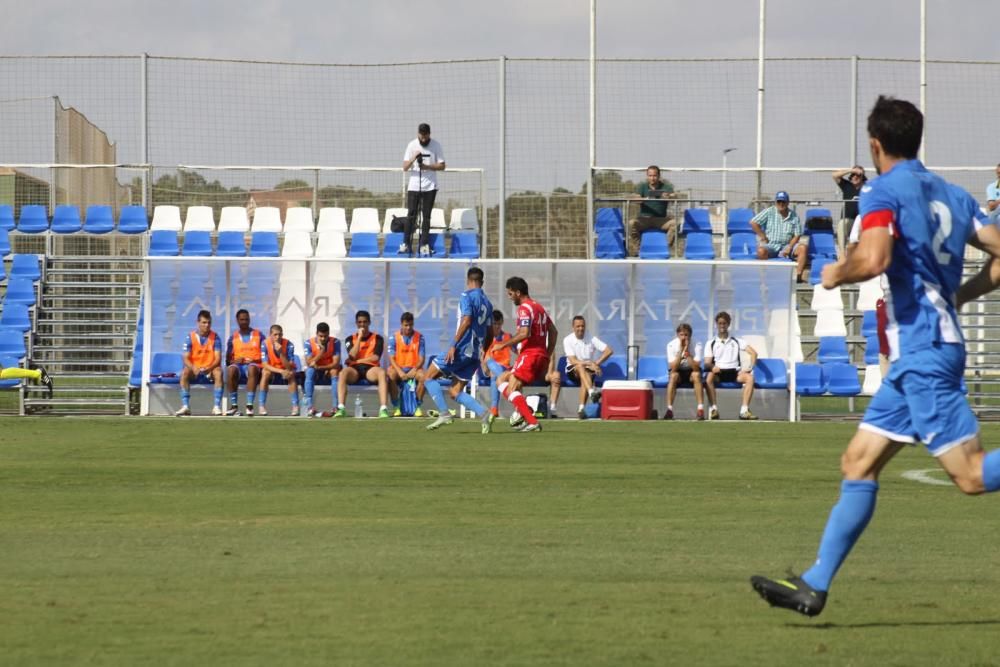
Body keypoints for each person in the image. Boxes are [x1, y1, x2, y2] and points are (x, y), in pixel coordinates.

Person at [751, 95, 1000, 618]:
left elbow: (876, 257)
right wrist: (964, 293)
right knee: (858, 462)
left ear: (875, 145)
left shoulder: (882, 191)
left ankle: (818, 581)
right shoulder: (954, 195)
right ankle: (815, 583)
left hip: (925, 351)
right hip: (927, 350)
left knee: (971, 475)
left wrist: (834, 273)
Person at [422, 267, 496, 433]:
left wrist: (453, 345)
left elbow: (467, 320)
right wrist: (483, 350)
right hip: (475, 354)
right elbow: (490, 333)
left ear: (468, 281)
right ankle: (484, 414)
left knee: (428, 377)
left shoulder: (466, 296)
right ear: (482, 282)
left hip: (462, 349)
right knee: (455, 391)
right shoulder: (488, 303)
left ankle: (444, 413)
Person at [492, 276, 558, 433]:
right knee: (501, 379)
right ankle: (524, 411)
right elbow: (554, 332)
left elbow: (524, 333)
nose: (509, 297)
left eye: (510, 294)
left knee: (511, 387)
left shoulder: (524, 308)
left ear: (518, 292)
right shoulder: (539, 308)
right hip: (540, 355)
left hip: (530, 354)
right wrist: (546, 354)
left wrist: (503, 344)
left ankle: (530, 419)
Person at [332, 310, 390, 418]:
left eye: (364, 322)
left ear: (369, 322)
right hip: (354, 370)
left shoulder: (378, 338)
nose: (362, 324)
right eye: (360, 322)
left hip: (371, 369)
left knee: (382, 372)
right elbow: (352, 356)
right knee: (343, 373)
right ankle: (341, 408)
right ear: (356, 323)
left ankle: (383, 409)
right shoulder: (350, 339)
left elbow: (375, 357)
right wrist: (359, 338)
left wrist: (358, 361)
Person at [703, 311, 758, 421]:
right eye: (720, 323)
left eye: (724, 323)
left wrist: (750, 368)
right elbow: (707, 362)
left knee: (750, 378)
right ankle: (714, 409)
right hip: (719, 373)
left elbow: (753, 353)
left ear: (728, 324)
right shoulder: (711, 342)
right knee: (708, 378)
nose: (722, 325)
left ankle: (744, 410)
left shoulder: (737, 341)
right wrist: (712, 367)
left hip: (734, 373)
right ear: (716, 324)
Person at [401, 122, 446, 256]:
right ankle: (406, 244)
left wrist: (428, 167)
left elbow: (442, 165)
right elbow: (404, 167)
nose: (424, 138)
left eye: (426, 135)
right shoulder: (411, 145)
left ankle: (424, 244)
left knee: (426, 217)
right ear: (418, 134)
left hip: (430, 186)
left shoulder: (436, 145)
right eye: (421, 135)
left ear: (429, 134)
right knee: (411, 215)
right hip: (414, 186)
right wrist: (414, 157)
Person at [561, 315, 613, 419]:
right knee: (580, 368)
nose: (581, 328)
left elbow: (609, 351)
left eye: (582, 326)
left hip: (587, 371)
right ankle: (591, 392)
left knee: (585, 375)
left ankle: (581, 410)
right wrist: (591, 364)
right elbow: (573, 361)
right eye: (578, 326)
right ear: (573, 327)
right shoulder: (567, 340)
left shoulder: (591, 338)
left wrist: (596, 363)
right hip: (573, 370)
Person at [750, 191, 807, 283]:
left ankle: (798, 276)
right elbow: (753, 222)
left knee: (803, 248)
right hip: (771, 245)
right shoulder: (769, 211)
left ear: (788, 203)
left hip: (787, 245)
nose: (781, 204)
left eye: (783, 202)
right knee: (761, 251)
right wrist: (763, 236)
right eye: (779, 201)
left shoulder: (794, 216)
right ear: (775, 202)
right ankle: (764, 277)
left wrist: (789, 247)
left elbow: (797, 234)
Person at [175, 309, 223, 416]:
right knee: (184, 373)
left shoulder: (216, 337)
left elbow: (218, 358)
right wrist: (193, 368)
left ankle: (216, 406)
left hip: (209, 369)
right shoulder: (190, 337)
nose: (207, 325)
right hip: (195, 369)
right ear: (198, 323)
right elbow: (185, 358)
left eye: (209, 322)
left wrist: (210, 368)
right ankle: (185, 406)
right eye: (204, 322)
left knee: (218, 372)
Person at [627, 165, 677, 256]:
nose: (652, 178)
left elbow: (675, 196)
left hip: (660, 220)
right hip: (644, 219)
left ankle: (665, 247)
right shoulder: (642, 186)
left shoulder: (666, 186)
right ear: (647, 176)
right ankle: (639, 248)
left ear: (659, 176)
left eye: (654, 176)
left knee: (675, 223)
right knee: (631, 223)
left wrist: (669, 196)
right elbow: (635, 197)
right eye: (650, 175)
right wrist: (640, 198)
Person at [223, 308, 262, 416]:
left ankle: (249, 405)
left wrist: (254, 360)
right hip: (238, 367)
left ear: (249, 320)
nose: (244, 322)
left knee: (252, 368)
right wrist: (233, 361)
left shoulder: (259, 335)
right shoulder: (233, 338)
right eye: (242, 320)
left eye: (246, 319)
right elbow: (227, 361)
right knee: (230, 370)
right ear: (237, 320)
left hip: (255, 366)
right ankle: (234, 406)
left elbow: (266, 355)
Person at [387, 312, 425, 417]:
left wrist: (414, 369)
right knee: (391, 375)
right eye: (406, 325)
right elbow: (391, 358)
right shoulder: (393, 337)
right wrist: (399, 371)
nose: (408, 328)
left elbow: (421, 358)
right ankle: (396, 406)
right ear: (401, 324)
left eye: (411, 325)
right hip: (398, 368)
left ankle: (417, 406)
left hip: (413, 368)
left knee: (424, 377)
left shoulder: (420, 337)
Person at [664, 323, 705, 421]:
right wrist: (681, 350)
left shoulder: (697, 344)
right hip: (678, 370)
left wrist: (687, 352)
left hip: (691, 370)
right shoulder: (671, 345)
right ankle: (669, 410)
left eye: (686, 335)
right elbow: (673, 368)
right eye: (681, 335)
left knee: (696, 375)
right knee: (673, 376)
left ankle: (700, 409)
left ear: (690, 335)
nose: (684, 337)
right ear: (678, 335)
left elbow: (695, 367)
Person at [258, 324, 301, 416]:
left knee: (291, 374)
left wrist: (281, 352)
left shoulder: (289, 345)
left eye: (280, 335)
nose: (278, 337)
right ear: (270, 335)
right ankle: (261, 406)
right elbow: (265, 364)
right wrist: (280, 371)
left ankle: (295, 406)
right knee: (265, 373)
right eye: (275, 335)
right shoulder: (265, 343)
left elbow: (289, 367)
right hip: (273, 370)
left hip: (285, 369)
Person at [303, 322, 341, 418]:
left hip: (328, 368)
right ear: (316, 333)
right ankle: (309, 406)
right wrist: (321, 351)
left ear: (329, 333)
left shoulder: (335, 342)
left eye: (325, 336)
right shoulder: (309, 343)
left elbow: (336, 363)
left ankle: (335, 407)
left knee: (335, 371)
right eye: (321, 336)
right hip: (315, 370)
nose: (323, 339)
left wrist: (321, 367)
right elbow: (309, 363)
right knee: (309, 371)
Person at [482, 309, 515, 418]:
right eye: (494, 324)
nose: (497, 326)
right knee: (490, 363)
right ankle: (498, 406)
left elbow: (518, 351)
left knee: (494, 376)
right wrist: (485, 368)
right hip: (488, 367)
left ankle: (494, 408)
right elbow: (483, 357)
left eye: (499, 324)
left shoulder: (507, 337)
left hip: (505, 369)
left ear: (502, 323)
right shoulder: (486, 338)